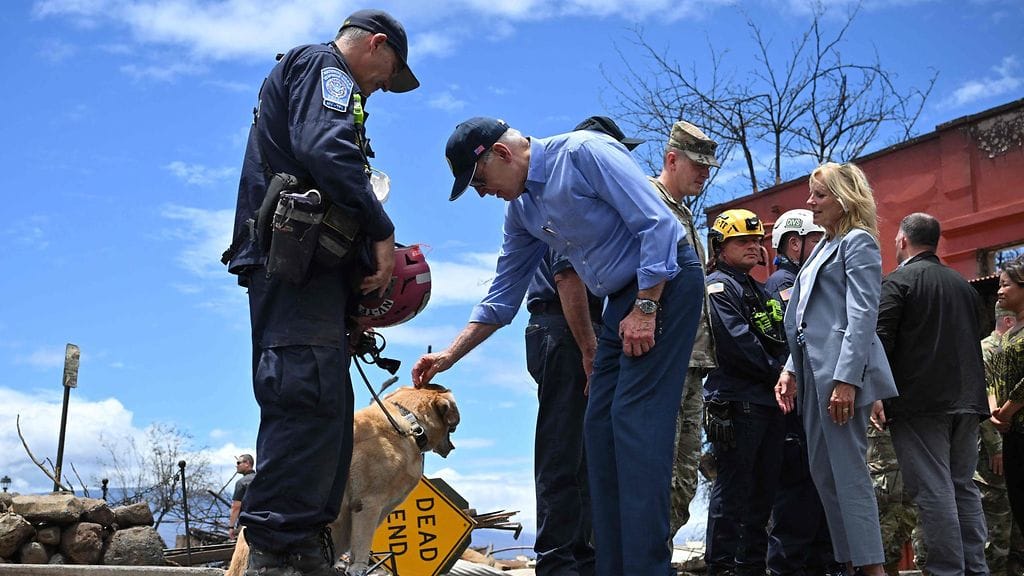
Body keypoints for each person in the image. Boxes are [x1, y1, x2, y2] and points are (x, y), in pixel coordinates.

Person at [413, 117, 704, 575]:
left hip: (665, 283)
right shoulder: (523, 211)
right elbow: (503, 294)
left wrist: (646, 308)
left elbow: (660, 228)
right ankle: (612, 566)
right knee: (598, 428)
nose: (482, 192)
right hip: (620, 301)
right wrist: (450, 355)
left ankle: (648, 568)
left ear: (502, 154)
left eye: (480, 180)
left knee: (634, 424)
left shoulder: (584, 153)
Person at [222, 9, 419, 575]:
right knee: (304, 399)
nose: (383, 85)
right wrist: (381, 231)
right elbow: (325, 149)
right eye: (389, 72)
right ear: (375, 45)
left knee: (328, 410)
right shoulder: (323, 66)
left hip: (316, 276)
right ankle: (277, 550)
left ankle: (302, 543)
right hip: (295, 269)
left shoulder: (328, 79)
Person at [521, 116, 639, 576]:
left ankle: (583, 556)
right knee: (562, 447)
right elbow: (567, 278)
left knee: (587, 450)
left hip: (579, 327)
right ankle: (558, 559)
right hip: (564, 327)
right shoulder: (565, 196)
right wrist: (590, 350)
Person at [774, 161, 897, 576]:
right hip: (812, 376)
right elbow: (808, 315)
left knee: (849, 475)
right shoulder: (824, 246)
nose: (810, 203)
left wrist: (847, 379)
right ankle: (850, 564)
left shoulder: (857, 242)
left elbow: (863, 314)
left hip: (838, 377)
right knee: (824, 475)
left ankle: (872, 569)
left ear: (845, 200)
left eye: (820, 195)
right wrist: (791, 367)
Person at [872, 212, 989, 576]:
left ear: (903, 241)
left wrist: (876, 392)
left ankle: (946, 570)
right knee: (963, 487)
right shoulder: (964, 286)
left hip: (920, 405)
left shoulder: (898, 282)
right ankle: (975, 569)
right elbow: (980, 334)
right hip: (968, 403)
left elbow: (879, 339)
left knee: (934, 489)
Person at [700, 208, 787, 576]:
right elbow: (736, 342)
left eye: (756, 241)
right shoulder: (718, 286)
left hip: (768, 401)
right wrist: (779, 373)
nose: (754, 246)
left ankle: (751, 566)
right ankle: (720, 567)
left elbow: (777, 336)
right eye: (743, 241)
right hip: (736, 401)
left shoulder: (756, 287)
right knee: (733, 491)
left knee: (763, 493)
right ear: (721, 247)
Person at [647, 120, 719, 536]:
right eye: (697, 164)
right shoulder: (648, 202)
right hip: (666, 361)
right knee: (658, 471)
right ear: (671, 159)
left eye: (709, 167)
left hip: (693, 363)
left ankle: (661, 555)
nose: (704, 174)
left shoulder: (685, 213)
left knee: (684, 477)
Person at [763, 209, 842, 576]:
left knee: (819, 505)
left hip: (813, 411)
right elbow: (796, 342)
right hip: (796, 415)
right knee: (797, 506)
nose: (824, 247)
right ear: (794, 244)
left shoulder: (810, 282)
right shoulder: (785, 284)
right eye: (816, 240)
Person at [979, 304, 1021, 576]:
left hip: (1012, 440)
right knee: (998, 527)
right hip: (994, 450)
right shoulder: (987, 350)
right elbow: (984, 401)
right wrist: (996, 447)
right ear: (1008, 320)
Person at [990, 257, 1024, 538]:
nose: (999, 291)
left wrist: (1009, 410)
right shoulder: (1009, 333)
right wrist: (996, 412)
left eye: (1006, 284)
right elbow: (993, 376)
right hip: (1012, 433)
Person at [228, 454, 256, 540]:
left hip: (247, 525)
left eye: (238, 462)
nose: (236, 465)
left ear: (247, 463)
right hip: (265, 523)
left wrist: (231, 527)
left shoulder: (241, 483)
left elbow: (236, 507)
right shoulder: (262, 479)